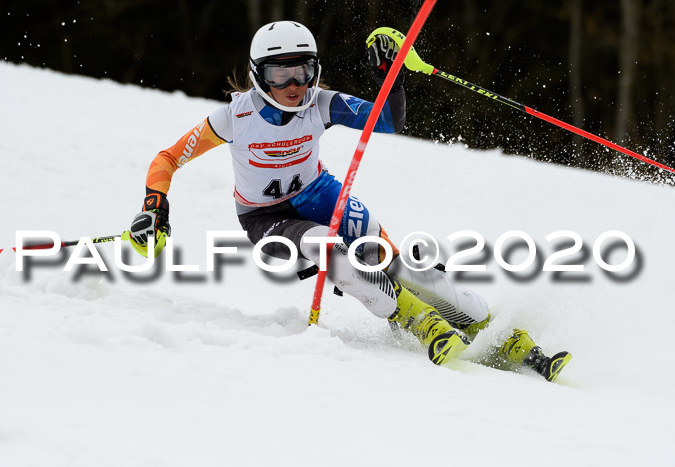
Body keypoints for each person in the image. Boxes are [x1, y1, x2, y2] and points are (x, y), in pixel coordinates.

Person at [127, 21, 570, 381]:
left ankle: (499, 334)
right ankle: (421, 322)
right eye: (280, 73)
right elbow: (167, 158)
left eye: (303, 70)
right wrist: (154, 207)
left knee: (394, 261)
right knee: (328, 247)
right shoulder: (234, 116)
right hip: (265, 217)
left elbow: (388, 123)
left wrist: (390, 77)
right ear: (259, 74)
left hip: (318, 192)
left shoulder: (320, 103)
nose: (294, 83)